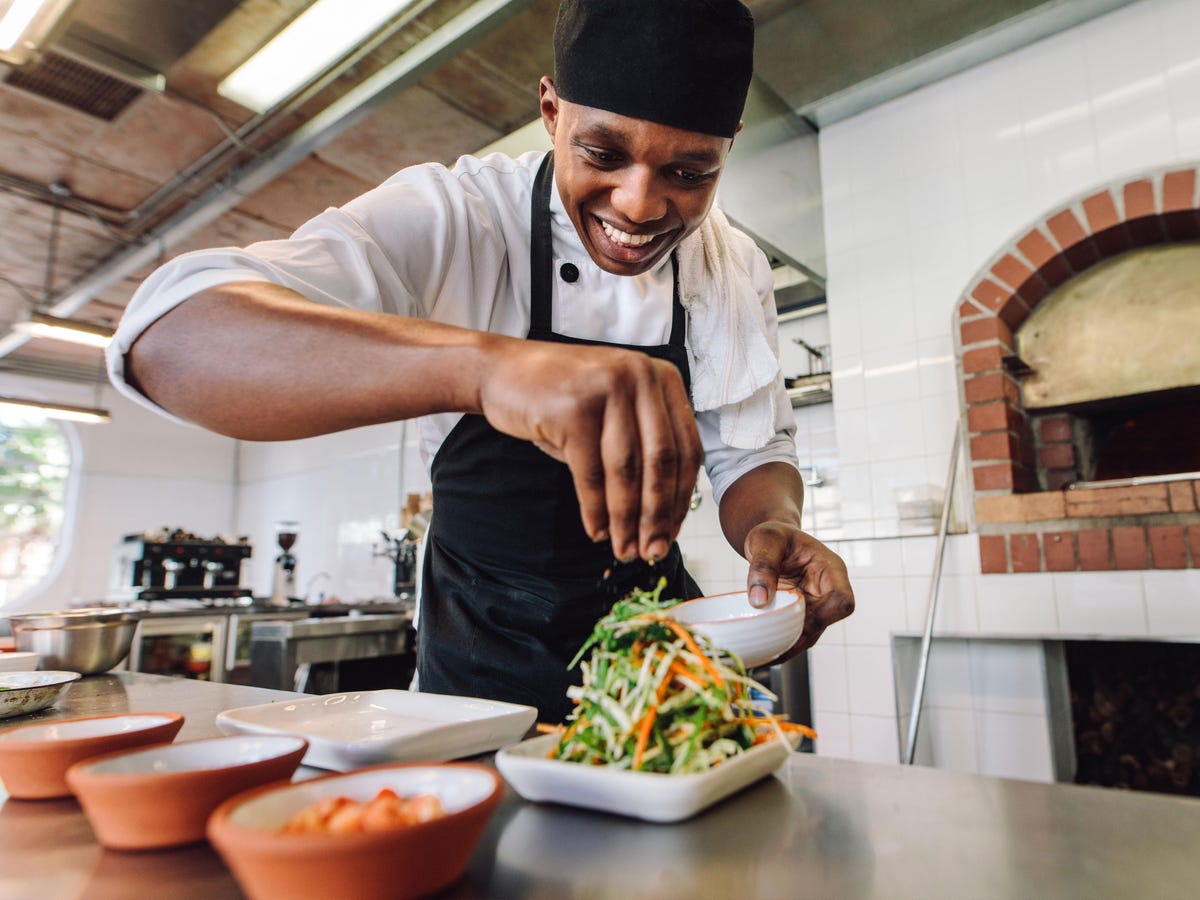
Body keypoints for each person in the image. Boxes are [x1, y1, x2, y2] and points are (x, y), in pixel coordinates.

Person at [106, 0, 854, 721]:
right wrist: (487, 370)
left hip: (660, 674)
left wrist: (772, 525)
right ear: (552, 111)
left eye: (689, 174)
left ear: (729, 150)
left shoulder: (732, 266)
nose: (638, 205)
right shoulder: (457, 216)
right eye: (603, 154)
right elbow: (168, 338)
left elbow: (752, 448)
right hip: (475, 677)